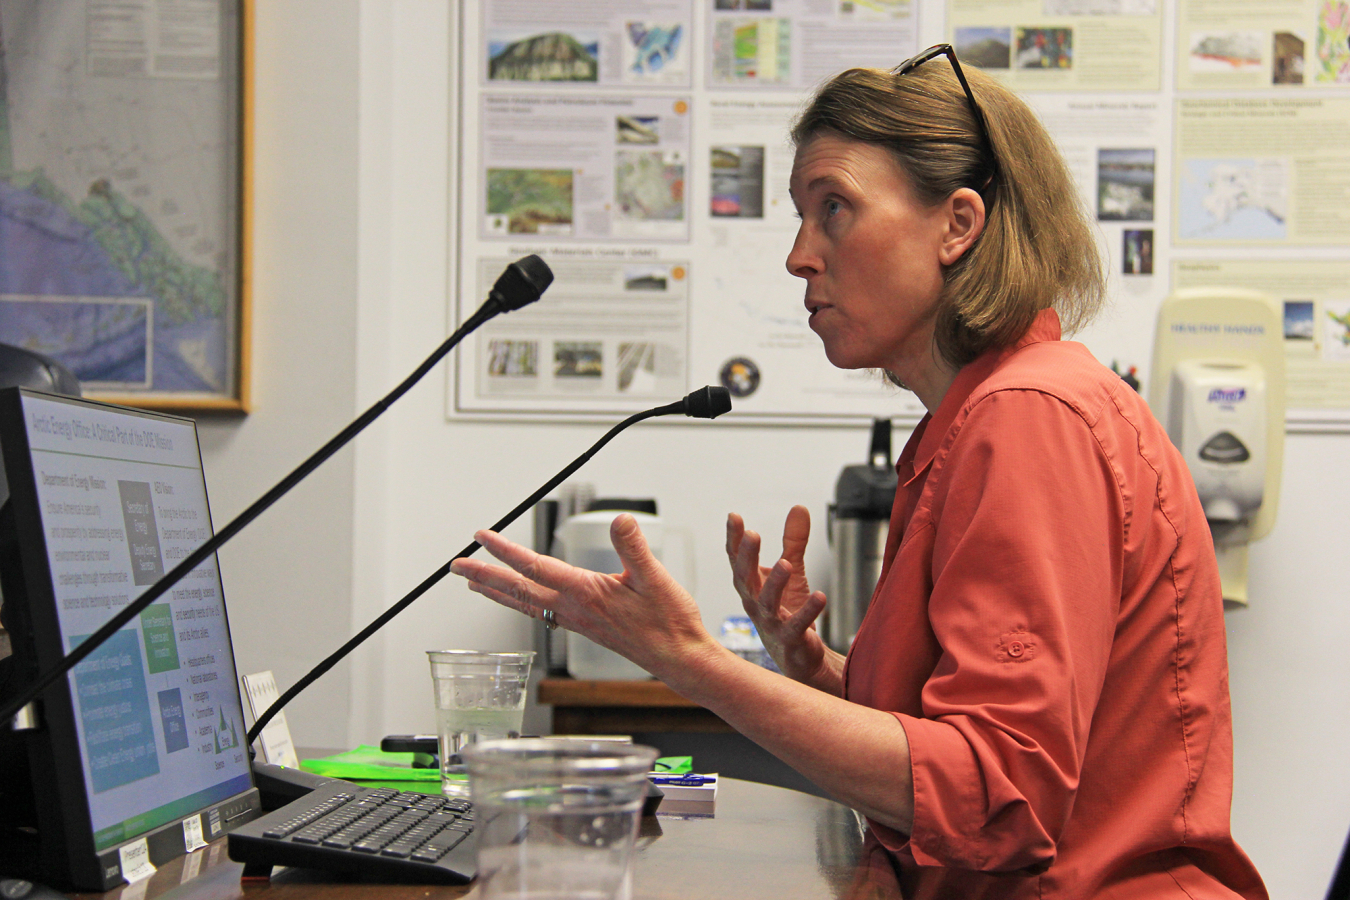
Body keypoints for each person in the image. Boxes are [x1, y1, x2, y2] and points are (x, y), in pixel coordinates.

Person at [450, 45, 1267, 899]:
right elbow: (958, 740)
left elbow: (997, 796)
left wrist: (688, 659)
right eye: (800, 217)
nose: (801, 256)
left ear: (958, 224)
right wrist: (818, 678)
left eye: (834, 209)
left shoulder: (1031, 417)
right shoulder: (984, 414)